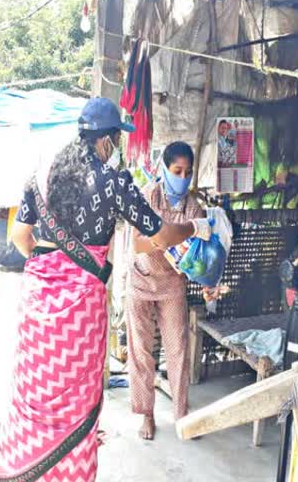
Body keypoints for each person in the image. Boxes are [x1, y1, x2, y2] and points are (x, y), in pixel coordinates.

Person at [0, 98, 211, 481]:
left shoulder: (40, 175)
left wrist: (50, 267)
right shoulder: (115, 182)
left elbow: (19, 237)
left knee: (33, 394)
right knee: (76, 399)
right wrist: (195, 228)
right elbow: (161, 234)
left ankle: (23, 467)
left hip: (36, 298)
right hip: (81, 312)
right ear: (108, 141)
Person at [127, 141, 206, 440]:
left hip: (172, 284)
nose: (183, 178)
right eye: (177, 171)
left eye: (188, 172)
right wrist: (170, 238)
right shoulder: (147, 196)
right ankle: (146, 415)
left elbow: (195, 251)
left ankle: (181, 415)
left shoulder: (193, 207)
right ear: (165, 169)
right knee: (142, 352)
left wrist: (165, 238)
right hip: (141, 280)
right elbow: (137, 244)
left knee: (177, 350)